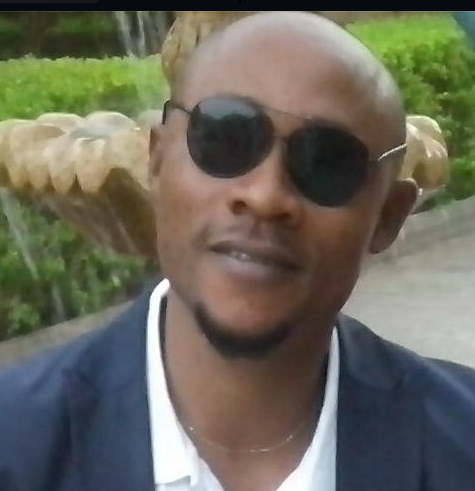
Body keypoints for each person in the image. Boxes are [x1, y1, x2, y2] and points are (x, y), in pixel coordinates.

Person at [0, 12, 474, 491]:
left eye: (327, 163)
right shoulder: (17, 444)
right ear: (156, 162)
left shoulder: (460, 444)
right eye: (224, 139)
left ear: (389, 216)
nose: (265, 195)